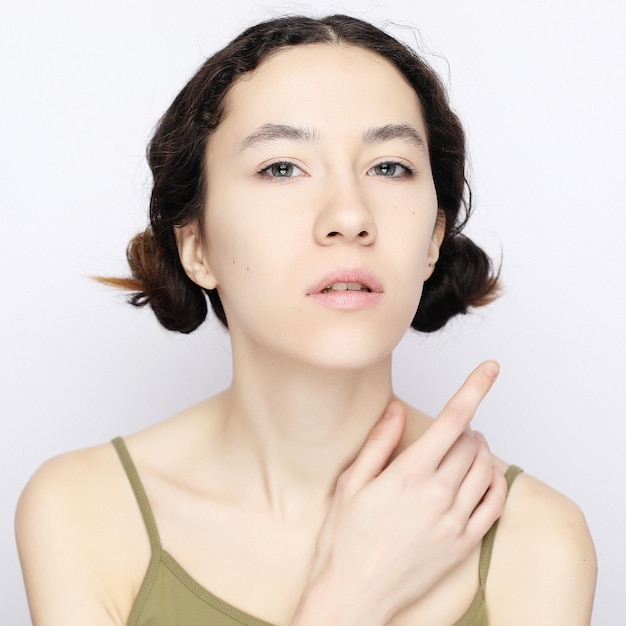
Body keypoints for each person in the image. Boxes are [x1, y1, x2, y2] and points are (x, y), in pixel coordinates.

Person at [15, 14, 596, 626]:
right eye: (282, 167)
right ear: (197, 247)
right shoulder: (84, 511)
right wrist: (352, 594)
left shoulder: (538, 541)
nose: (349, 215)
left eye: (390, 166)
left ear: (432, 238)